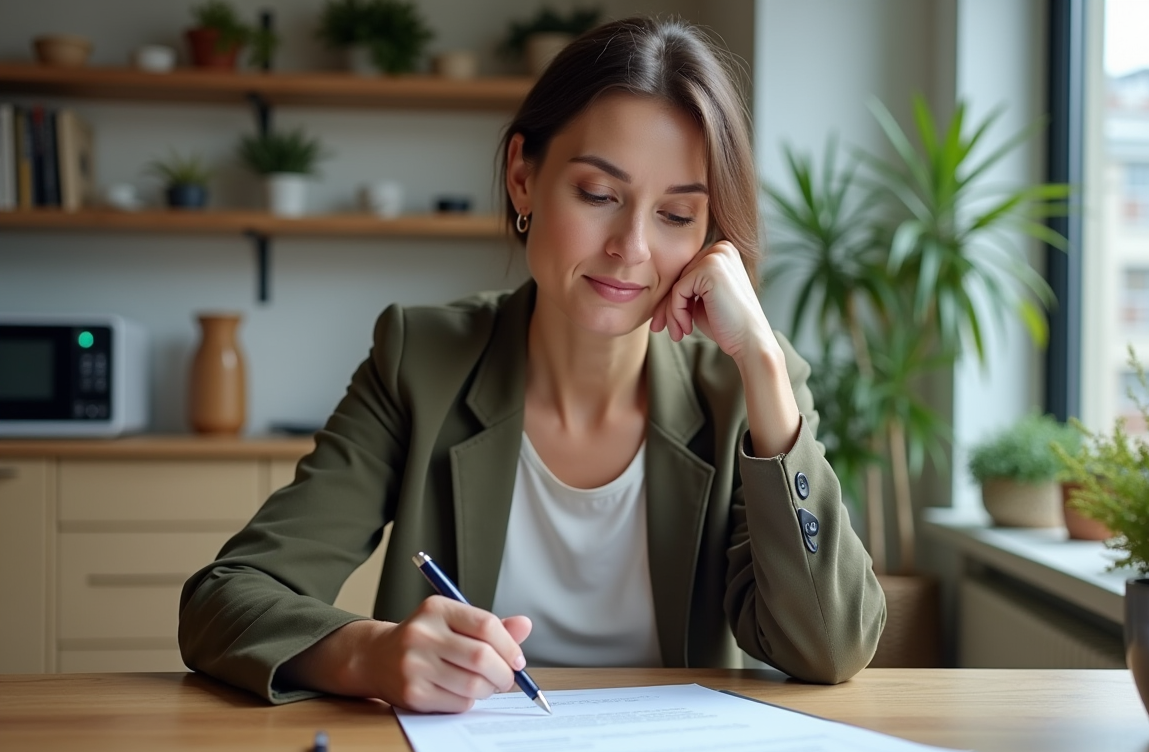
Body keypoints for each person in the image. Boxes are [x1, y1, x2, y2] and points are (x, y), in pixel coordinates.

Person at [178, 16, 886, 712]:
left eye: (676, 215)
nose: (631, 247)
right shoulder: (421, 362)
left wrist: (762, 362)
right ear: (524, 177)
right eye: (599, 195)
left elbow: (830, 646)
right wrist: (369, 653)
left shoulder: (743, 389)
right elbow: (225, 596)